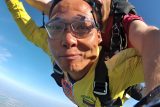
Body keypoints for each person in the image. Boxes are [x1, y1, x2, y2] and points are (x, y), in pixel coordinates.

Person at [5, 0, 160, 106]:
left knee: (132, 89)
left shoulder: (117, 71)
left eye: (82, 27)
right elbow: (28, 28)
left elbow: (154, 47)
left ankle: (132, 89)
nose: (67, 40)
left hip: (115, 83)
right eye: (56, 27)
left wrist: (154, 99)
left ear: (99, 36)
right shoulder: (55, 50)